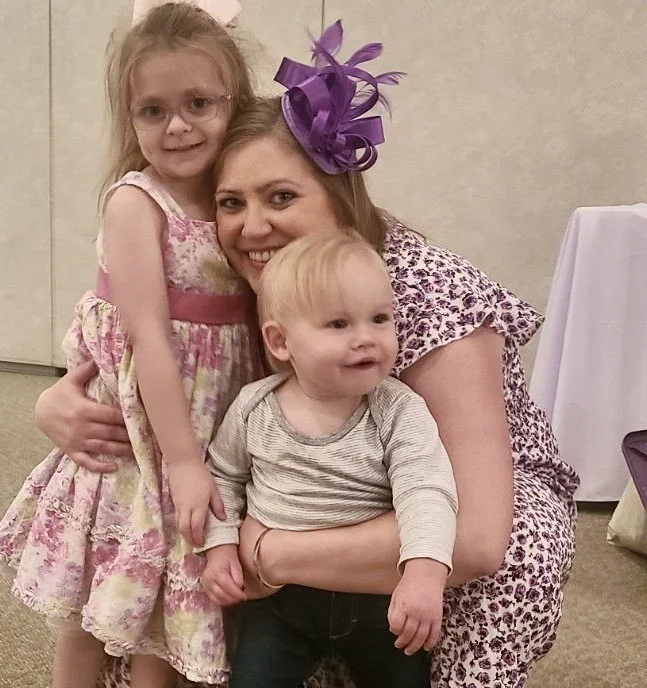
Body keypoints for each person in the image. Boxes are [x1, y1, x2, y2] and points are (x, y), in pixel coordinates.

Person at [34, 19, 579, 688]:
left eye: (282, 197)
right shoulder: (247, 273)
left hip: (446, 508)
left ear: (338, 194)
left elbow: (477, 538)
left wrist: (267, 550)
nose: (252, 226)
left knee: (513, 551)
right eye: (230, 202)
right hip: (307, 487)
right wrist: (56, 403)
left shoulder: (426, 288)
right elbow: (133, 339)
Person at [0, 4, 259, 688]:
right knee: (96, 604)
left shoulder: (238, 199)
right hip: (140, 447)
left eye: (198, 103)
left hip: (213, 432)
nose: (177, 126)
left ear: (236, 102)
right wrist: (183, 462)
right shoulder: (137, 203)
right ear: (128, 119)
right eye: (152, 110)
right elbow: (150, 339)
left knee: (164, 612)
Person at [199, 230, 458, 688]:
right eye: (339, 324)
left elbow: (426, 490)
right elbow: (222, 477)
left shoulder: (397, 409)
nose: (367, 339)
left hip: (377, 597)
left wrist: (424, 574)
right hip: (279, 602)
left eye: (380, 318)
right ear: (281, 341)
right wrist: (219, 548)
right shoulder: (254, 408)